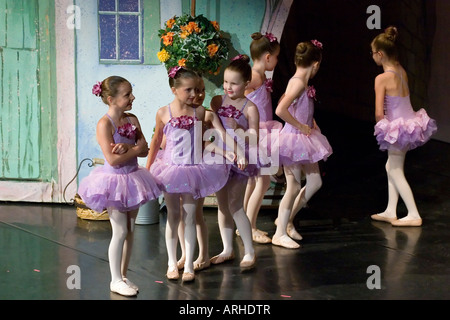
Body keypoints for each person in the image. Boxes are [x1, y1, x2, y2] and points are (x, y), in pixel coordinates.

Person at [78, 76, 162, 296]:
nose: (132, 97)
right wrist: (131, 150)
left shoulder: (132, 119)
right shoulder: (104, 124)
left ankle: (123, 275)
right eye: (127, 95)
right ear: (110, 99)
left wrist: (131, 150)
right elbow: (113, 159)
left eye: (131, 92)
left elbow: (144, 149)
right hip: (114, 181)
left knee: (131, 230)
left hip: (133, 177)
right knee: (120, 229)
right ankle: (114, 279)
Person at [146, 67, 231, 282]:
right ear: (174, 90)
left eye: (198, 90)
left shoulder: (200, 113)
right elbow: (156, 141)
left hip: (194, 169)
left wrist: (231, 151)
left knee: (191, 217)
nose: (195, 95)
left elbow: (212, 137)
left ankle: (190, 265)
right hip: (171, 169)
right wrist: (147, 169)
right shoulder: (163, 112)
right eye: (188, 90)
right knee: (173, 217)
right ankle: (172, 263)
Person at [370, 26, 437, 227]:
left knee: (396, 169)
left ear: (380, 55)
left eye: (373, 53)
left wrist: (382, 128)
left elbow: (378, 111)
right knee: (391, 166)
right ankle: (391, 210)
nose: (372, 56)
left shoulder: (381, 78)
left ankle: (413, 213)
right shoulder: (401, 71)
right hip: (410, 124)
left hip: (398, 128)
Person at [272, 40, 333, 249]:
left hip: (304, 138)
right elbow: (280, 110)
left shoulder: (301, 82)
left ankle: (286, 220)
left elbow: (297, 106)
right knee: (294, 185)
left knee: (315, 182)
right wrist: (300, 125)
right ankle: (279, 232)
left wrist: (309, 122)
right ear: (316, 63)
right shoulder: (298, 82)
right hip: (293, 139)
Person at [176, 76, 237, 272]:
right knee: (179, 213)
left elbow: (216, 139)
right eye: (194, 90)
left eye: (202, 90)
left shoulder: (207, 115)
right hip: (178, 166)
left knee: (196, 213)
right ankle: (185, 253)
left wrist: (232, 151)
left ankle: (203, 254)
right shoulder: (175, 114)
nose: (199, 94)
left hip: (198, 168)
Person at [210, 54, 258, 268]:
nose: (228, 87)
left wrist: (240, 128)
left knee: (235, 205)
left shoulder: (250, 108)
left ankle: (249, 251)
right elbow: (213, 128)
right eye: (226, 82)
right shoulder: (217, 101)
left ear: (246, 83)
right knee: (222, 205)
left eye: (234, 83)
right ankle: (227, 248)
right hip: (220, 156)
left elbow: (255, 138)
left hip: (240, 159)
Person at [243, 32, 282, 244]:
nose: (276, 61)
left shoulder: (261, 76)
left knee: (254, 180)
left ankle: (245, 225)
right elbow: (236, 96)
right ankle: (250, 227)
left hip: (262, 131)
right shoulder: (254, 76)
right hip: (257, 132)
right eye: (275, 57)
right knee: (263, 180)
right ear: (267, 57)